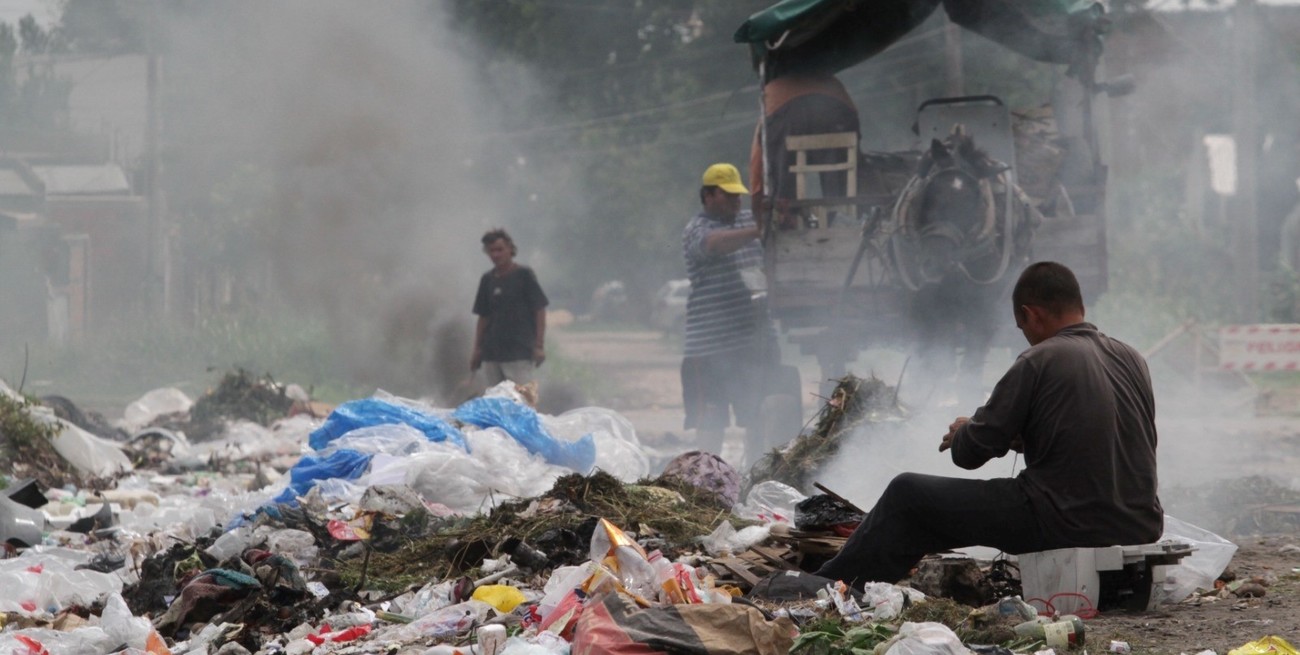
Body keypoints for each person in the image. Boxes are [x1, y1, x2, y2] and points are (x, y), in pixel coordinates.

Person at [816, 261, 1162, 587]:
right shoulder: (1132, 358)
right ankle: (866, 588)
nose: (1025, 335)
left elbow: (971, 454)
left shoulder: (1039, 359)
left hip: (1063, 520)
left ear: (1030, 314)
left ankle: (826, 586)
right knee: (929, 514)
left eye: (1021, 326)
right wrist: (1018, 438)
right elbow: (1094, 437)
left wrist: (962, 433)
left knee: (907, 493)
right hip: (1139, 524)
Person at [680, 163, 776, 456]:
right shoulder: (697, 229)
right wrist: (759, 229)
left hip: (751, 340)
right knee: (711, 421)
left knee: (757, 413)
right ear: (708, 196)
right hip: (709, 347)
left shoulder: (747, 219)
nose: (737, 201)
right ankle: (706, 487)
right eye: (728, 195)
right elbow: (714, 244)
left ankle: (756, 474)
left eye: (738, 195)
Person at [749, 73, 860, 219]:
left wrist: (760, 221)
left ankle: (788, 215)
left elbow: (757, 174)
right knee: (839, 168)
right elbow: (857, 150)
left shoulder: (772, 92)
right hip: (838, 106)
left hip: (783, 110)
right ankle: (840, 214)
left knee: (782, 169)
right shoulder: (828, 78)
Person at [471, 228, 549, 387]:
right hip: (491, 353)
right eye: (491, 251)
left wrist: (539, 346)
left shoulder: (524, 275)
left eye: (500, 249)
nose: (496, 255)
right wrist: (477, 349)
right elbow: (483, 316)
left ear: (510, 249)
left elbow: (539, 310)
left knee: (521, 399)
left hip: (519, 352)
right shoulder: (487, 279)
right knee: (494, 402)